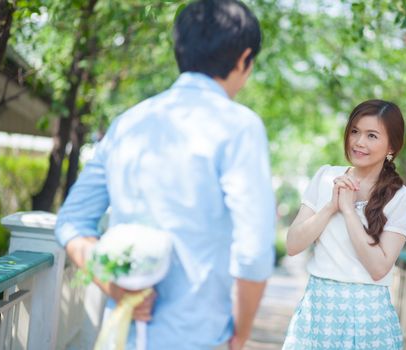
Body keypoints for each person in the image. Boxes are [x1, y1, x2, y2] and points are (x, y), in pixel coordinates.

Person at [54, 1, 276, 349]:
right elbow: (253, 253)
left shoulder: (127, 123)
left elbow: (70, 222)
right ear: (243, 59)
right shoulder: (240, 127)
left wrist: (114, 286)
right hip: (200, 335)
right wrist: (241, 334)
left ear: (180, 49)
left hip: (123, 333)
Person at [282, 99, 406, 350]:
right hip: (318, 311)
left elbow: (378, 268)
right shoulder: (325, 177)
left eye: (372, 135)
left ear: (392, 146)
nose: (359, 142)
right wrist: (331, 206)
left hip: (368, 318)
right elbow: (292, 244)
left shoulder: (400, 197)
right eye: (355, 131)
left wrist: (349, 211)